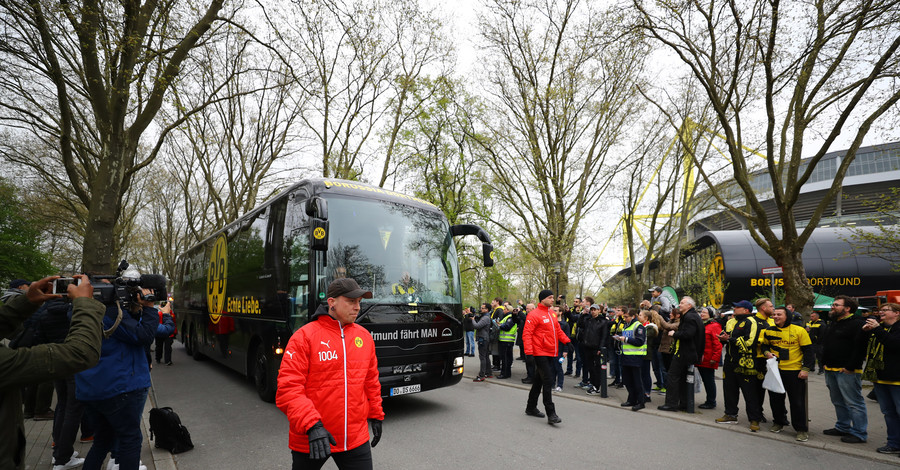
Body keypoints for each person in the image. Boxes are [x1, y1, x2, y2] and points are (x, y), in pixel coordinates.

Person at [276, 278, 384, 470]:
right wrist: (312, 426)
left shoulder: (364, 337)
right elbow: (288, 389)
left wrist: (376, 414)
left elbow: (371, 382)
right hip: (313, 437)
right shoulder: (304, 337)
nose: (357, 307)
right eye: (351, 301)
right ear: (332, 302)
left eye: (359, 302)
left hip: (355, 438)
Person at [1, 275, 105, 470]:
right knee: (72, 408)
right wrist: (85, 304)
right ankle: (63, 456)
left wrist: (26, 302)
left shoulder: (47, 313)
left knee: (64, 406)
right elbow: (80, 353)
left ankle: (61, 453)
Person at [77, 283, 173, 470]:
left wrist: (135, 309)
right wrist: (149, 307)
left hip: (89, 388)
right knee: (130, 439)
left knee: (102, 441)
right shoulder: (111, 316)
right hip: (118, 386)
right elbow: (143, 335)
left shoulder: (79, 312)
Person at [761, 306, 814, 442]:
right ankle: (779, 422)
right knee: (776, 400)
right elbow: (764, 346)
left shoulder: (799, 331)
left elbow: (808, 351)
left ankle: (801, 429)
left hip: (794, 372)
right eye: (774, 314)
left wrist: (806, 369)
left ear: (787, 316)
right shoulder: (768, 331)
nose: (775, 316)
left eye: (779, 314)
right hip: (775, 371)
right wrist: (767, 353)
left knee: (797, 402)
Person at [821, 294, 868, 444]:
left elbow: (860, 348)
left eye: (836, 305)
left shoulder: (857, 323)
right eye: (832, 305)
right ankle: (842, 426)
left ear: (847, 308)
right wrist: (823, 362)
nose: (832, 307)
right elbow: (826, 344)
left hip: (847, 370)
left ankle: (859, 432)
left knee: (854, 402)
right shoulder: (834, 322)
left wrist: (850, 367)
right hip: (830, 368)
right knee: (838, 401)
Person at [523, 289, 571, 424]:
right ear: (542, 299)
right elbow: (527, 334)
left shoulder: (552, 314)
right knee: (548, 381)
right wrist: (529, 353)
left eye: (552, 297)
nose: (552, 299)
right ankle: (551, 413)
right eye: (550, 297)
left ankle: (530, 407)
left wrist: (567, 341)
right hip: (540, 352)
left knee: (539, 381)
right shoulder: (533, 315)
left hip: (551, 351)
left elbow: (558, 331)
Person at [716, 300, 765, 431]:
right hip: (730, 360)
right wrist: (722, 337)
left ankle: (754, 419)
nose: (734, 308)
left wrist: (729, 339)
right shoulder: (730, 321)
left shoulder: (751, 321)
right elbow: (726, 336)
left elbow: (749, 342)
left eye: (738, 307)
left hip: (746, 362)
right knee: (729, 389)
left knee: (749, 391)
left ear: (746, 310)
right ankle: (730, 414)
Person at [863, 303, 900, 454]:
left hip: (897, 378)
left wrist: (877, 329)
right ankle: (894, 443)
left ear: (897, 313)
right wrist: (865, 332)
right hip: (879, 377)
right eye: (881, 310)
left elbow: (894, 345)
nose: (881, 312)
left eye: (885, 310)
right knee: (888, 412)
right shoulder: (880, 328)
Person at [658, 297, 704, 413]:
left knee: (672, 377)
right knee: (683, 379)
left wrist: (675, 333)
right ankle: (684, 403)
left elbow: (688, 334)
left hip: (684, 353)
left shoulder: (690, 317)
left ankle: (671, 404)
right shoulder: (691, 316)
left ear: (689, 305)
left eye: (682, 303)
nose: (679, 305)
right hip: (686, 353)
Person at [614, 308, 647, 411]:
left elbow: (639, 341)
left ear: (633, 316)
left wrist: (626, 339)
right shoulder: (626, 326)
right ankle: (631, 399)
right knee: (627, 380)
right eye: (624, 317)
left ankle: (640, 402)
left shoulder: (639, 326)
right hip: (626, 356)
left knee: (637, 381)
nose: (625, 318)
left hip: (635, 357)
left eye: (626, 317)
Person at [579, 304, 609, 395]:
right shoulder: (588, 319)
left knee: (597, 368)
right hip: (587, 346)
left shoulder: (603, 321)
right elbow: (580, 324)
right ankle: (593, 384)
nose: (593, 311)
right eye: (591, 309)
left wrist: (601, 348)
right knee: (590, 367)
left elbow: (604, 336)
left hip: (596, 348)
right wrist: (583, 314)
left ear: (599, 310)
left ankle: (597, 386)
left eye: (595, 310)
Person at [696, 307, 723, 409]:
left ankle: (711, 401)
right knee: (706, 380)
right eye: (701, 312)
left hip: (709, 358)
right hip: (702, 358)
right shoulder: (703, 325)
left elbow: (718, 344)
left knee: (709, 380)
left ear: (711, 314)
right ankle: (710, 400)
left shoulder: (714, 326)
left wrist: (715, 358)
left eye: (704, 312)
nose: (702, 314)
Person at [472, 303, 493, 382]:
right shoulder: (486, 317)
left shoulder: (485, 318)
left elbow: (476, 326)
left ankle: (481, 375)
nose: (481, 309)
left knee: (482, 357)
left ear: (487, 309)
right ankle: (489, 372)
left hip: (483, 339)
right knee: (486, 356)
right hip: (485, 338)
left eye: (482, 308)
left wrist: (473, 320)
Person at [497, 305, 517, 379]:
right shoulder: (507, 317)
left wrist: (499, 325)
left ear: (508, 310)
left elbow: (507, 327)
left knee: (505, 358)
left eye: (504, 309)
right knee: (506, 358)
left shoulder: (510, 317)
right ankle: (506, 373)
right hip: (505, 340)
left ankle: (504, 374)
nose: (503, 310)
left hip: (506, 340)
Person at [519, 303, 536, 384]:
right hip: (526, 341)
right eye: (526, 309)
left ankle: (532, 377)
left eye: (528, 309)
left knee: (531, 362)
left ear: (533, 309)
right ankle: (529, 376)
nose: (527, 310)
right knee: (528, 361)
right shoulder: (527, 316)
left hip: (532, 343)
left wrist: (520, 313)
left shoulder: (533, 317)